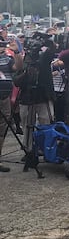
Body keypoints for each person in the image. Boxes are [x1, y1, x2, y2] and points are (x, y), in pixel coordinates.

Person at [0, 39, 23, 172]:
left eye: (3, 45)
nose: (2, 48)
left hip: (4, 98)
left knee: (3, 128)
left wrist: (16, 52)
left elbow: (18, 67)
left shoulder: (7, 59)